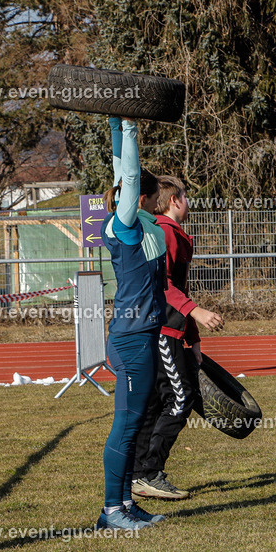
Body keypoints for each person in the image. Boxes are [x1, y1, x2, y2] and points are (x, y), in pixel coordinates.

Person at [131, 175, 223, 500]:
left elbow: (180, 289)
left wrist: (194, 338)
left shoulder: (176, 234)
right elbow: (162, 285)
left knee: (156, 403)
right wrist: (196, 312)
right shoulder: (163, 233)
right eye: (185, 195)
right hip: (160, 332)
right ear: (174, 201)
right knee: (181, 398)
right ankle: (149, 472)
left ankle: (139, 474)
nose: (188, 201)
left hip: (173, 331)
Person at [97, 117, 168, 530]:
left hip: (142, 335)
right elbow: (128, 173)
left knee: (136, 421)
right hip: (132, 340)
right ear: (140, 196)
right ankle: (111, 512)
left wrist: (113, 121)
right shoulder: (124, 226)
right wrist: (129, 127)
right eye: (152, 195)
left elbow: (119, 169)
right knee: (126, 426)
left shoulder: (140, 223)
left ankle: (124, 504)